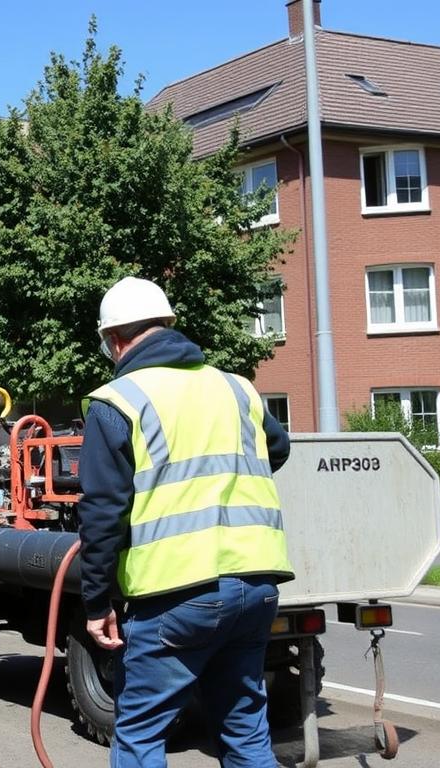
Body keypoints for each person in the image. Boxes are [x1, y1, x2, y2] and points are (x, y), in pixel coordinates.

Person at [77, 276, 294, 768]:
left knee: (139, 735)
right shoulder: (237, 388)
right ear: (169, 324)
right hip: (257, 584)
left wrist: (96, 602)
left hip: (175, 594)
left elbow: (102, 513)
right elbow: (277, 449)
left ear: (114, 340)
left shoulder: (117, 401)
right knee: (245, 732)